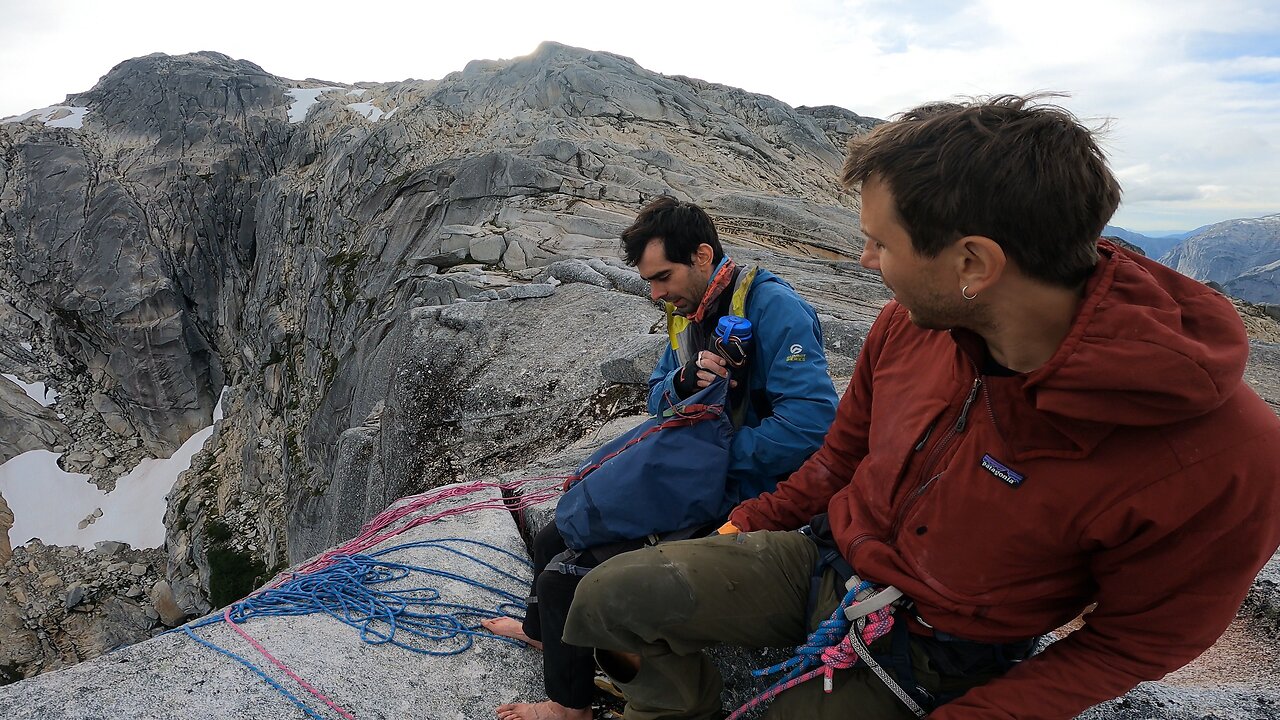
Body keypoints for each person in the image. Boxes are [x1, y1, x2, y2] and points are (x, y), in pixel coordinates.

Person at [560, 96, 1280, 720]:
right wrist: (744, 523)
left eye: (880, 243)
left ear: (973, 264)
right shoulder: (907, 328)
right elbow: (841, 456)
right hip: (826, 558)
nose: (866, 262)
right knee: (604, 596)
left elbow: (1138, 641)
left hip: (939, 643)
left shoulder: (1225, 454)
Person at [488, 196, 840, 720]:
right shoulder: (687, 313)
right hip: (696, 477)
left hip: (745, 490)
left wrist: (719, 460)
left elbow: (812, 425)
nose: (655, 294)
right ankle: (549, 637)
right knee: (552, 534)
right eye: (649, 281)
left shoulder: (772, 308)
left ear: (702, 255)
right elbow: (656, 397)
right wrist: (681, 381)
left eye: (662, 277)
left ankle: (570, 708)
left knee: (568, 575)